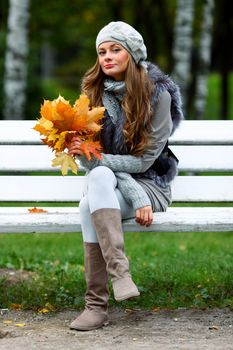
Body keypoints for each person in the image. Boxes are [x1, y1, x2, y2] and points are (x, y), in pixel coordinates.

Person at [67, 21, 183, 331]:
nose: (106, 56)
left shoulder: (157, 95)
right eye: (102, 51)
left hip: (151, 183)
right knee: (98, 181)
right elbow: (90, 164)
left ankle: (96, 306)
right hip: (117, 186)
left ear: (132, 54)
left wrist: (138, 191)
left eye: (115, 49)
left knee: (86, 206)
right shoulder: (92, 93)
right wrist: (132, 193)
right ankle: (120, 275)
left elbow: (145, 160)